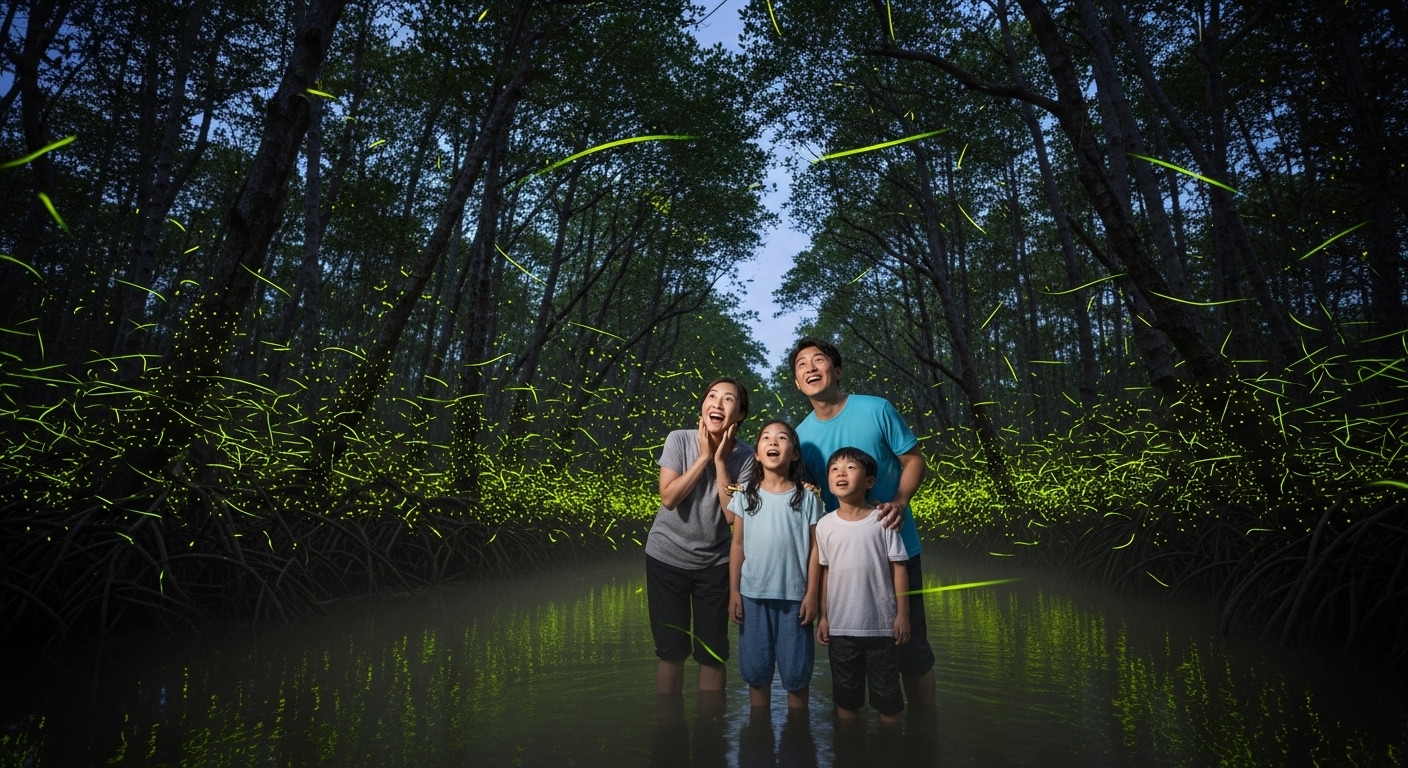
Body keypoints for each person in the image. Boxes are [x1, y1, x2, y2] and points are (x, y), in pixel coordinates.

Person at [789, 337, 935, 705]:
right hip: (842, 562)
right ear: (797, 382)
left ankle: (923, 735)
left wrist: (900, 501)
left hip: (895, 549)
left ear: (836, 371)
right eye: (801, 365)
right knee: (849, 653)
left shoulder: (876, 409)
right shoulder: (801, 437)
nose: (810, 368)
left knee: (911, 650)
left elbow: (914, 460)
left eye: (818, 360)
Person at [649, 377, 754, 694]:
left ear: (739, 415)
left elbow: (732, 517)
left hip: (714, 563)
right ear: (703, 406)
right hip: (665, 559)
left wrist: (720, 461)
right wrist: (704, 458)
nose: (718, 403)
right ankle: (670, 736)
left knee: (711, 655)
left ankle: (711, 738)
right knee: (671, 652)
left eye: (728, 399)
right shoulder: (678, 440)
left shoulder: (747, 458)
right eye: (712, 396)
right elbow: (669, 498)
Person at [727, 420, 823, 710]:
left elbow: (817, 548)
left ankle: (797, 739)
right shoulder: (744, 495)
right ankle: (759, 739)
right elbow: (738, 545)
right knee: (756, 674)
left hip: (795, 597)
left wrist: (812, 595)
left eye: (782, 438)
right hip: (753, 595)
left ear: (794, 453)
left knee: (796, 675)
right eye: (766, 438)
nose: (773, 442)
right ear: (756, 453)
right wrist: (733, 592)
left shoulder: (808, 497)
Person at [815, 447, 910, 724]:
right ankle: (850, 753)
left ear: (869, 481)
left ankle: (890, 751)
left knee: (889, 702)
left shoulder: (883, 519)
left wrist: (902, 615)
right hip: (841, 630)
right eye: (834, 469)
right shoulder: (824, 525)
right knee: (846, 702)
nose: (841, 473)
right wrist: (824, 617)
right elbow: (826, 573)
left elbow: (899, 567)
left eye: (851, 468)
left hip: (881, 629)